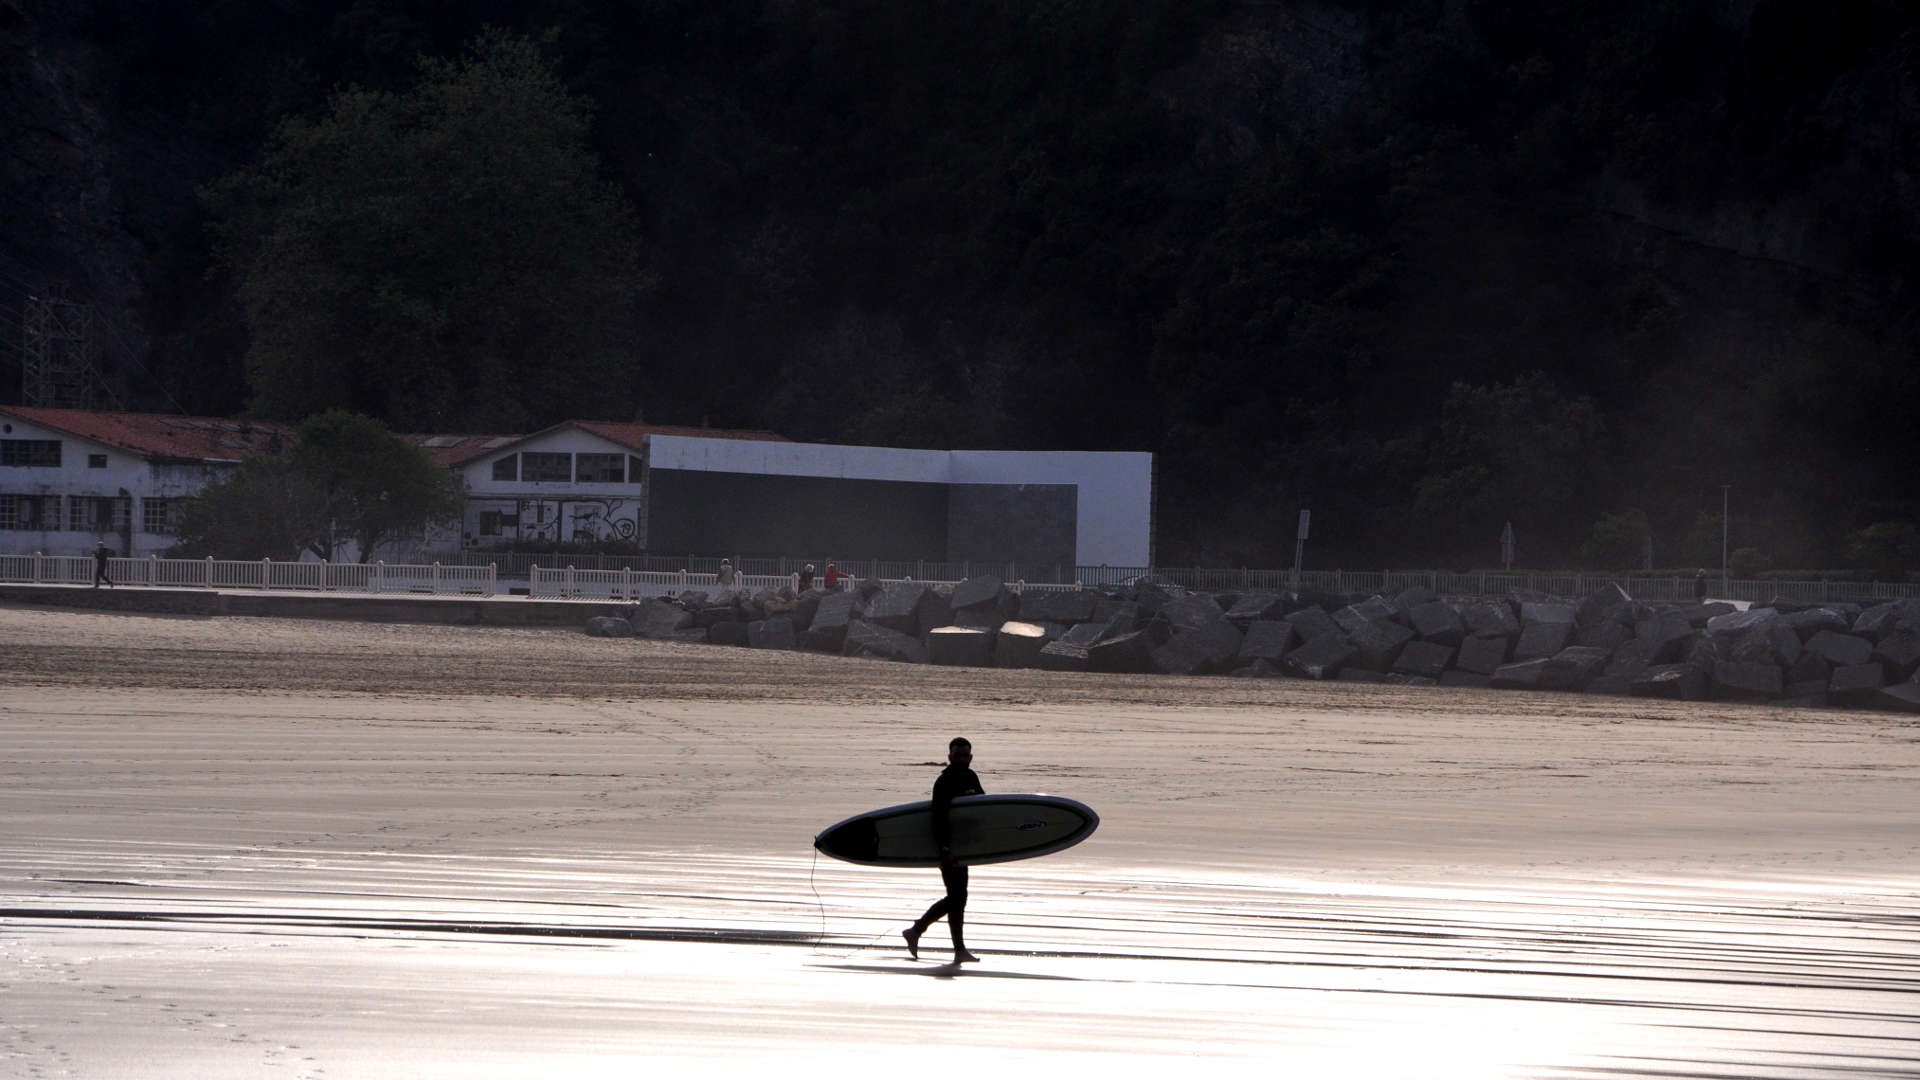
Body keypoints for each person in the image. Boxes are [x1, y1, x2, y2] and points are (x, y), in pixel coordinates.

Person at [903, 736, 984, 964]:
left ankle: (957, 949)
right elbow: (938, 818)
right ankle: (916, 930)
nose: (961, 759)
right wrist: (945, 850)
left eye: (965, 755)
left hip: (965, 846)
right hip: (948, 848)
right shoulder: (944, 782)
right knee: (957, 897)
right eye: (957, 755)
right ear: (949, 757)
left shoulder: (971, 776)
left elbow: (983, 807)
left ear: (970, 757)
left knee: (958, 898)